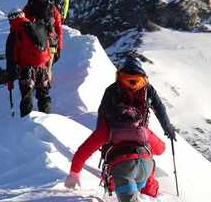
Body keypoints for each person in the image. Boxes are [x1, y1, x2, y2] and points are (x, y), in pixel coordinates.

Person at [65, 57, 177, 202]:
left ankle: (115, 188)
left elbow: (85, 148)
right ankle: (151, 195)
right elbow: (161, 146)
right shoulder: (146, 92)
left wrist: (105, 140)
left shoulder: (113, 92)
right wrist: (166, 127)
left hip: (118, 156)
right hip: (142, 145)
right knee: (146, 168)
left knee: (119, 180)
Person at [5, 8, 52, 117]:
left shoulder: (15, 33)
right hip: (42, 68)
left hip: (27, 69)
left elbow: (11, 59)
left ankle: (26, 124)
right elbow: (47, 48)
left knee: (27, 96)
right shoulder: (37, 27)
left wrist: (10, 80)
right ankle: (48, 120)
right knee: (43, 96)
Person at [23, 0, 63, 82]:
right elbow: (58, 28)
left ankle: (34, 87)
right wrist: (59, 47)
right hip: (51, 41)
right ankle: (46, 90)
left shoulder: (29, 7)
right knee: (48, 67)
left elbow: (24, 24)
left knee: (35, 67)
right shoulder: (52, 8)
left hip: (36, 42)